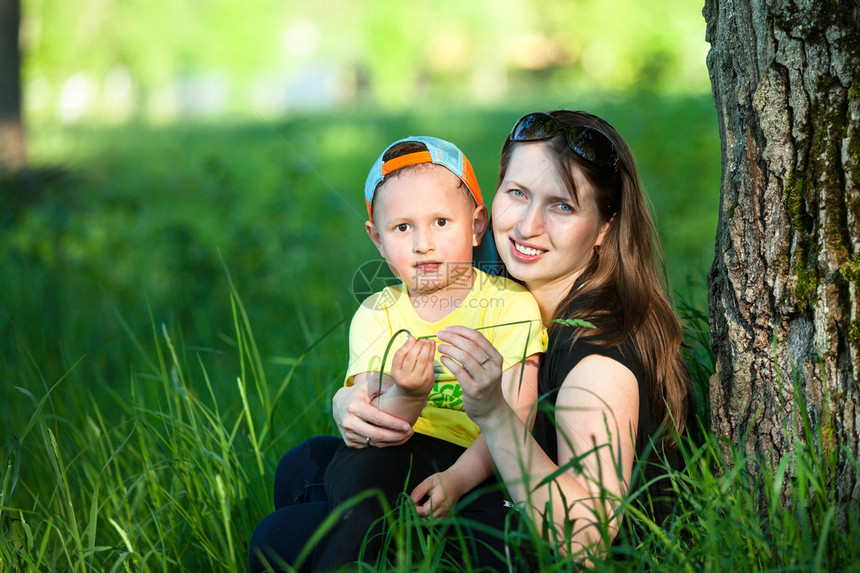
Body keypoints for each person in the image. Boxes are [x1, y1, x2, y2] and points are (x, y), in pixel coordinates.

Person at [329, 110, 691, 565]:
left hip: (558, 550)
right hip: (481, 500)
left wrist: (496, 416)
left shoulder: (598, 358)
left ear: (604, 227)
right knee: (304, 468)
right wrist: (352, 402)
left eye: (562, 205)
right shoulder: (496, 292)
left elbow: (588, 541)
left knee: (292, 526)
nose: (526, 226)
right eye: (518, 193)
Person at [249, 135, 544, 572]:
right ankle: (354, 551)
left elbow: (519, 414)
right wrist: (407, 392)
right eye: (402, 228)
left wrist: (457, 479)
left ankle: (366, 544)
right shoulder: (377, 312)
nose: (423, 243)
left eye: (441, 222)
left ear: (477, 224)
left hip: (475, 462)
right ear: (377, 239)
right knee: (356, 470)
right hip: (396, 451)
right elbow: (375, 426)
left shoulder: (511, 306)